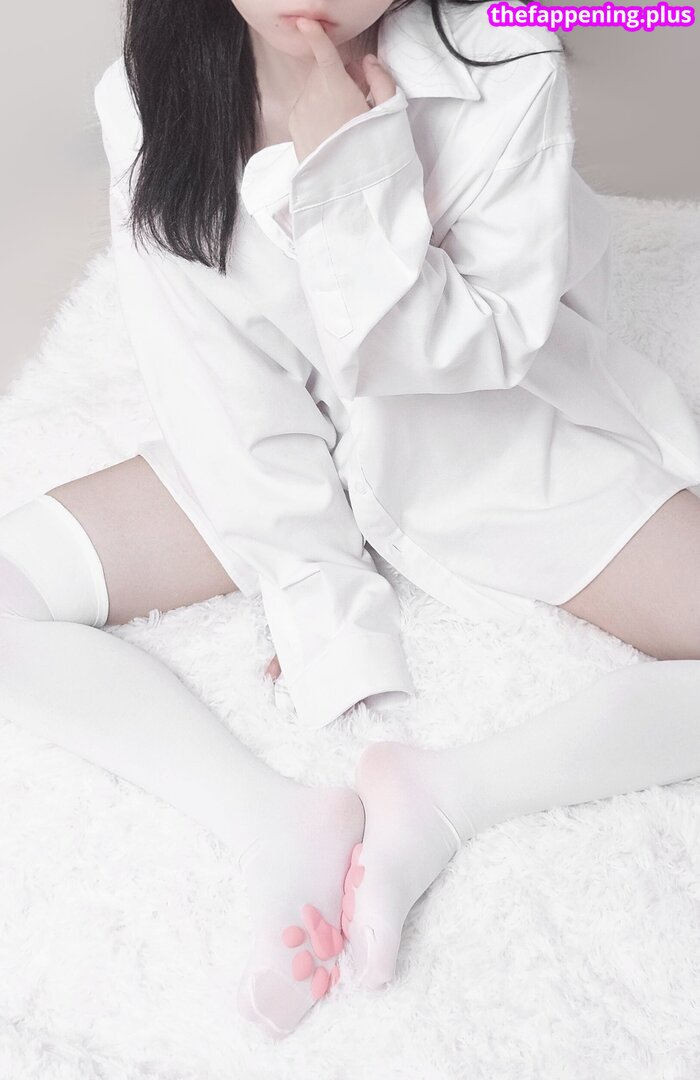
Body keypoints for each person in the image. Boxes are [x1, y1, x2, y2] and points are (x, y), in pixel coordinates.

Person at [1, 0, 699, 1040]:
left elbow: (473, 354)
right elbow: (223, 394)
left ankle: (449, 795)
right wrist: (320, 605)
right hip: (284, 449)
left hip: (492, 448)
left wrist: (354, 177)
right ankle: (275, 821)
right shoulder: (153, 97)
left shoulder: (507, 61)